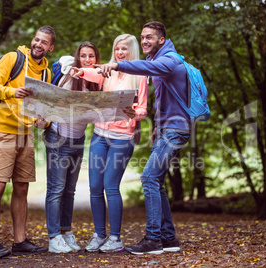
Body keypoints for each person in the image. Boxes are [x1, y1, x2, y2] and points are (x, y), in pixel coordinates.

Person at [95, 21, 191, 255]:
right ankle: (168, 238)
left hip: (176, 129)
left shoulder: (169, 60)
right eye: (143, 37)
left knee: (148, 177)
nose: (145, 41)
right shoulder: (156, 61)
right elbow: (163, 99)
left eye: (150, 37)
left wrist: (117, 64)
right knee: (156, 182)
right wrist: (157, 126)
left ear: (161, 40)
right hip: (166, 128)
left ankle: (153, 239)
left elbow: (142, 69)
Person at [0, 25, 55, 259]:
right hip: (2, 131)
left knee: (22, 186)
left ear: (50, 47)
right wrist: (13, 92)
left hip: (26, 134)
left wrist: (43, 121)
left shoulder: (46, 74)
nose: (38, 44)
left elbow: (42, 109)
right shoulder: (13, 58)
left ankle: (20, 241)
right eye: (36, 39)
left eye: (44, 42)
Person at [71, 34, 148, 253]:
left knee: (110, 187)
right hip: (99, 136)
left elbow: (143, 108)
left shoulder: (140, 75)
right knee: (95, 187)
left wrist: (135, 114)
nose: (119, 53)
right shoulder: (109, 71)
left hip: (122, 140)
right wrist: (80, 71)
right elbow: (93, 72)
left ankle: (115, 238)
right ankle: (99, 235)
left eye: (124, 49)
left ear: (131, 51)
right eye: (117, 49)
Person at [34, 41, 102, 253]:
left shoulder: (96, 82)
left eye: (91, 56)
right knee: (56, 189)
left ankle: (66, 231)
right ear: (78, 58)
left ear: (96, 59)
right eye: (84, 56)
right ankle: (54, 237)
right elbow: (50, 101)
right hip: (58, 138)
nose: (87, 60)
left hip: (78, 140)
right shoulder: (68, 75)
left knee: (70, 191)